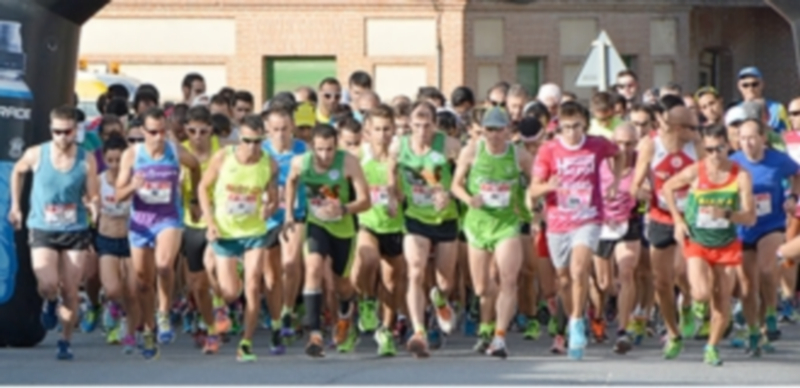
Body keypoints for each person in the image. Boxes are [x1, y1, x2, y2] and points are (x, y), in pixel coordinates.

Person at [530, 101, 622, 360]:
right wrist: (549, 186)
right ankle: (573, 319)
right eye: (566, 127)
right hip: (558, 222)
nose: (571, 133)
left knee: (579, 269)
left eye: (576, 127)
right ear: (559, 126)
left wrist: (615, 182)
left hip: (588, 218)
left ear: (585, 124)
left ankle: (578, 322)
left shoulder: (597, 144)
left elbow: (619, 154)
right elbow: (533, 189)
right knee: (563, 279)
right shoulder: (549, 150)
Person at [8, 106, 100, 360]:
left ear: (75, 131)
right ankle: (49, 301)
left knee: (70, 290)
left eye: (66, 131)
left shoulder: (85, 159)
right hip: (43, 227)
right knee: (47, 283)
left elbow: (93, 193)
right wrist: (16, 206)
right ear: (51, 130)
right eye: (56, 131)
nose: (61, 137)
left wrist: (93, 204)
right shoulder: (37, 154)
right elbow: (17, 171)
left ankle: (65, 340)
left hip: (74, 228)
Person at [662, 124, 755, 366]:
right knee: (701, 293)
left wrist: (726, 213)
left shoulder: (741, 175)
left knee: (722, 297)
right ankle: (692, 308)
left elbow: (750, 216)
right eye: (709, 149)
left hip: (726, 243)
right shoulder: (696, 171)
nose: (714, 155)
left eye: (719, 149)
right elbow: (667, 187)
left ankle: (712, 347)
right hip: (698, 241)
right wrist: (677, 219)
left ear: (728, 146)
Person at [115, 107, 201, 359]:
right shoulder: (132, 155)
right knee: (142, 281)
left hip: (168, 219)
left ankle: (164, 313)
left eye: (163, 131)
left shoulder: (174, 151)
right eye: (153, 132)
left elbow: (195, 166)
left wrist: (194, 199)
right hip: (141, 222)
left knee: (164, 266)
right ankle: (149, 329)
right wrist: (133, 185)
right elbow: (119, 194)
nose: (159, 136)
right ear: (143, 131)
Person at [283, 124, 371, 358]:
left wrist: (343, 208)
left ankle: (346, 309)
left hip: (343, 228)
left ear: (336, 146)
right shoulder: (301, 162)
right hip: (316, 224)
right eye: (320, 149)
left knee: (341, 284)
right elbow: (291, 181)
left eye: (330, 149)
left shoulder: (349, 162)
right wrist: (289, 214)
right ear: (312, 146)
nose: (325, 156)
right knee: (313, 267)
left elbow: (365, 201)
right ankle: (315, 334)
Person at [451, 107, 533, 358]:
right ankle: (486, 325)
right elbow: (455, 185)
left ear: (508, 130)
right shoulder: (471, 151)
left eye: (499, 129)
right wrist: (468, 198)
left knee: (508, 279)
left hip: (507, 222)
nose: (494, 135)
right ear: (482, 130)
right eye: (490, 129)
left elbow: (534, 182)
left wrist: (532, 201)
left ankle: (499, 337)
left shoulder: (519, 154)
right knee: (481, 287)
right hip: (478, 224)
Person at [198, 114, 278, 362]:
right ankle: (222, 299)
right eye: (247, 140)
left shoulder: (269, 163)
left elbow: (273, 197)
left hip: (254, 231)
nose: (252, 147)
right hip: (225, 231)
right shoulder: (223, 157)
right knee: (231, 292)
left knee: (254, 285)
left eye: (258, 141)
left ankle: (246, 343)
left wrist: (269, 208)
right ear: (238, 138)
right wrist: (210, 223)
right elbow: (203, 188)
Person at [630, 99, 703, 359]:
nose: (696, 132)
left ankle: (688, 303)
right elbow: (635, 185)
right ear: (675, 127)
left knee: (682, 273)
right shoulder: (652, 146)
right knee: (661, 281)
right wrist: (642, 191)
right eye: (691, 127)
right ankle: (673, 333)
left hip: (690, 218)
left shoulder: (697, 147)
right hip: (660, 216)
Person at [391, 101, 462, 358]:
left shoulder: (450, 146)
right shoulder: (399, 146)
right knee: (416, 271)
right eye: (417, 125)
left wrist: (450, 195)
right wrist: (393, 196)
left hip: (445, 218)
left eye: (427, 125)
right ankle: (418, 330)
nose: (422, 131)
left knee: (444, 282)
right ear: (410, 125)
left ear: (435, 124)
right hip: (415, 217)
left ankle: (440, 301)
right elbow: (391, 175)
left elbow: (465, 176)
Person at [731, 119, 800, 353]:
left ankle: (771, 310)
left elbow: (797, 174)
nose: (748, 143)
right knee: (748, 286)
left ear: (763, 138)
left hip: (771, 224)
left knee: (767, 269)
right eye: (742, 138)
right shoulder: (733, 162)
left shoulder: (778, 159)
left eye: (752, 137)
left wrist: (793, 197)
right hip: (743, 227)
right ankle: (754, 332)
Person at [351, 104, 405, 356]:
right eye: (377, 129)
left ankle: (385, 330)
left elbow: (403, 195)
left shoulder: (397, 160)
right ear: (367, 132)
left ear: (393, 131)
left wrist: (396, 197)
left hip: (393, 225)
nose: (382, 134)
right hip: (367, 222)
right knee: (368, 259)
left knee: (392, 283)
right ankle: (367, 301)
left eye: (386, 129)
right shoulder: (357, 157)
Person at [178, 105, 226, 354]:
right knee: (197, 284)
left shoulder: (223, 151)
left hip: (219, 221)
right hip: (190, 222)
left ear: (211, 131)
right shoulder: (181, 152)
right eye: (192, 131)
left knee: (213, 266)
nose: (198, 136)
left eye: (203, 131)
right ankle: (210, 328)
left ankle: (220, 305)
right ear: (186, 130)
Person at [261, 107, 308, 353]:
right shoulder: (260, 152)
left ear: (292, 128)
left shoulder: (303, 150)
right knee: (271, 275)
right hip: (267, 218)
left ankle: (289, 311)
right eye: (275, 130)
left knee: (291, 263)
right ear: (267, 130)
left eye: (285, 129)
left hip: (295, 214)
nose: (281, 135)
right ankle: (276, 320)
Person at [592, 123, 641, 354]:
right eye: (620, 143)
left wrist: (644, 192)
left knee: (627, 270)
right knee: (604, 283)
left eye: (630, 143)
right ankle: (604, 308)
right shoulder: (600, 162)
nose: (624, 148)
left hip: (628, 221)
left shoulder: (640, 161)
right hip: (601, 224)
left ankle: (623, 330)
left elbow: (652, 188)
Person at [95, 134, 139, 353]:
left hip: (132, 240)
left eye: (118, 160)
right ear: (103, 159)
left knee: (132, 290)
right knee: (113, 289)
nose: (114, 165)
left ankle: (130, 333)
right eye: (110, 160)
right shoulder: (98, 181)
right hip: (107, 239)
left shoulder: (135, 180)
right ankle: (113, 307)